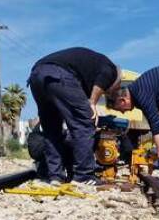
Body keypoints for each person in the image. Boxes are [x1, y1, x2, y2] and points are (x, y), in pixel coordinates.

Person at [28, 47, 120, 187]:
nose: (109, 94)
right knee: (84, 124)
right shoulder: (112, 70)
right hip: (58, 74)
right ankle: (83, 176)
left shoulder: (88, 72)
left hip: (36, 76)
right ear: (117, 82)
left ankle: (55, 176)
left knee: (51, 129)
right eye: (114, 91)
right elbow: (105, 77)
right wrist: (93, 103)